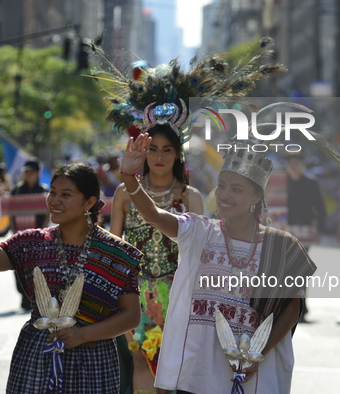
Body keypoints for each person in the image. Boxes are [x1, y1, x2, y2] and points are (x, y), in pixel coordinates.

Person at [119, 133, 316, 394]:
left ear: (256, 196)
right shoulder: (199, 231)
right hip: (199, 368)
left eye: (236, 189)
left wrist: (257, 354)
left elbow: (292, 309)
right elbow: (154, 214)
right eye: (221, 186)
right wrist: (129, 179)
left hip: (253, 372)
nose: (224, 195)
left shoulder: (281, 246)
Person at [0, 163, 143, 393]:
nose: (54, 201)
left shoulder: (116, 253)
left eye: (66, 195)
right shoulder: (31, 243)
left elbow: (131, 316)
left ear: (89, 202)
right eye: (53, 192)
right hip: (36, 355)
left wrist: (82, 334)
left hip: (93, 360)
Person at [110, 125, 204, 394]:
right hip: (135, 291)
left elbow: (201, 253)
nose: (159, 156)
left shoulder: (190, 197)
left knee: (171, 367)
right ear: (143, 153)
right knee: (141, 360)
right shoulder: (124, 193)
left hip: (178, 293)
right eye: (152, 149)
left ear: (177, 155)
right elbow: (115, 245)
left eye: (167, 150)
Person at [285, 150, 327, 322]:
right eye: (291, 162)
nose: (294, 165)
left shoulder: (311, 183)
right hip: (282, 230)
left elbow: (321, 208)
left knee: (300, 269)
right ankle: (285, 308)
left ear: (303, 164)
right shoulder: (278, 183)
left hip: (305, 231)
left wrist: (320, 229)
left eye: (297, 162)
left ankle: (301, 306)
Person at [10, 158, 49, 311]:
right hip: (20, 235)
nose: (28, 175)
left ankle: (35, 297)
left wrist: (43, 230)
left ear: (38, 173)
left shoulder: (43, 191)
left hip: (38, 235)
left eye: (31, 172)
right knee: (19, 266)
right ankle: (23, 295)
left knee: (37, 266)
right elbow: (11, 213)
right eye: (26, 172)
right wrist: (13, 231)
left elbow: (47, 213)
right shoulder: (17, 190)